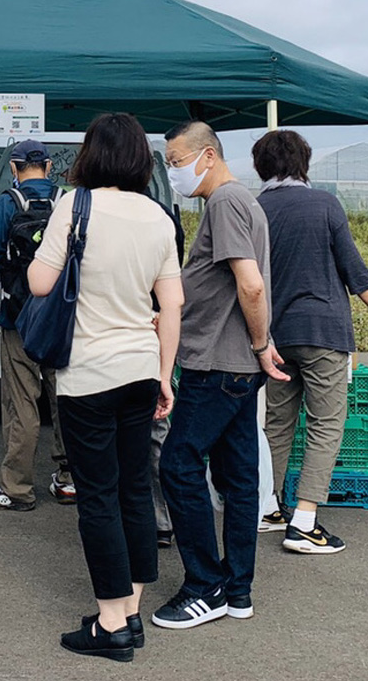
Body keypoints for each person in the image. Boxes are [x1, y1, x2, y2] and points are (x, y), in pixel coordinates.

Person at [27, 113, 183, 662]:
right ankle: (131, 611)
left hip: (89, 373)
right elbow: (172, 305)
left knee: (97, 495)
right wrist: (164, 375)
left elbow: (40, 283)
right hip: (141, 369)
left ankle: (110, 624)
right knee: (134, 489)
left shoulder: (76, 205)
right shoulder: (159, 215)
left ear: (90, 155)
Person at [153, 120, 285, 630]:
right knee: (239, 476)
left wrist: (261, 342)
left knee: (178, 464)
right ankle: (237, 589)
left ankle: (203, 585)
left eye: (177, 161)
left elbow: (250, 285)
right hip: (235, 364)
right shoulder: (241, 201)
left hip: (218, 363)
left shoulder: (226, 202)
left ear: (208, 155)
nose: (174, 171)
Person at [252, 130, 368, 555]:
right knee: (325, 423)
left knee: (277, 423)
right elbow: (355, 271)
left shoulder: (255, 208)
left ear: (261, 166)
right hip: (323, 332)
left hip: (274, 336)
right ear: (304, 163)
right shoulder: (324, 204)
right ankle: (304, 521)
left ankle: (266, 507)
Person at [0, 139, 75, 511]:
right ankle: (69, 480)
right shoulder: (69, 203)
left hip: (19, 318)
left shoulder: (6, 204)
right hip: (62, 319)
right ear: (49, 166)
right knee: (65, 398)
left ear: (14, 169)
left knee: (21, 403)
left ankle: (16, 488)